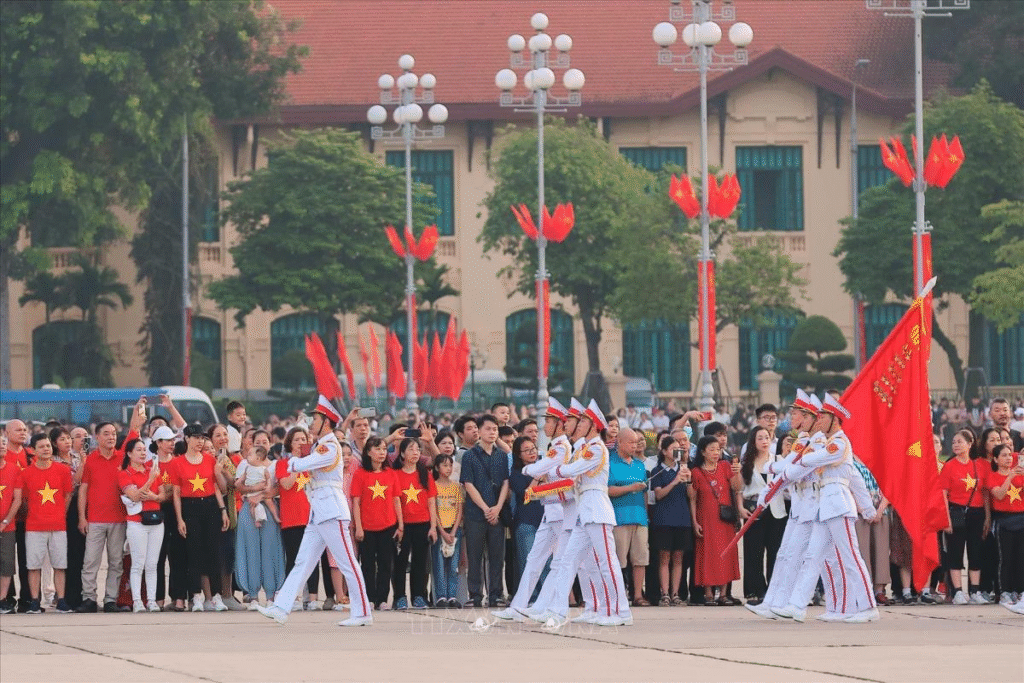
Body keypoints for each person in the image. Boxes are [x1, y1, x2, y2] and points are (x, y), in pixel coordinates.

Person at [256, 395, 371, 627]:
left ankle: (363, 612)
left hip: (331, 509)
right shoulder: (320, 445)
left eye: (316, 418)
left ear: (326, 422)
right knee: (302, 562)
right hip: (319, 511)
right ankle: (281, 607)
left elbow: (302, 465)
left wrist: (289, 462)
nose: (311, 422)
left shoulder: (329, 446)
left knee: (347, 562)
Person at [772, 394, 878, 623]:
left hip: (839, 505)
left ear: (835, 420)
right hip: (825, 508)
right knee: (813, 557)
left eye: (824, 417)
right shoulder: (829, 443)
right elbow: (855, 476)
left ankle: (868, 606)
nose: (818, 421)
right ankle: (801, 606)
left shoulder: (840, 443)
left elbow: (819, 461)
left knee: (850, 558)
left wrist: (794, 461)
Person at [533, 400, 633, 628]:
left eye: (584, 421)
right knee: (569, 561)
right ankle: (560, 611)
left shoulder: (596, 448)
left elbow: (571, 471)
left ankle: (621, 611)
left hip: (596, 509)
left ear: (595, 426)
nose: (578, 425)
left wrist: (552, 469)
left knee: (607, 563)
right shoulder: (587, 449)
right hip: (584, 511)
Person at [78, 398, 146, 613]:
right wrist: (82, 517)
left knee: (116, 562)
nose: (111, 437)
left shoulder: (122, 456)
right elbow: (83, 490)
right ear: (97, 437)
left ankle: (110, 600)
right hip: (95, 520)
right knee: (90, 562)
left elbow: (134, 430)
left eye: (114, 434)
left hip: (118, 519)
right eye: (106, 434)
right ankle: (89, 598)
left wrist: (136, 409)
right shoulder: (90, 460)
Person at [172, 423, 230, 612]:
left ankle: (216, 596)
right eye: (196, 437)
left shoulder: (209, 459)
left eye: (202, 438)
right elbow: (176, 493)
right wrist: (179, 519)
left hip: (210, 506)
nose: (200, 441)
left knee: (213, 552)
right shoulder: (177, 462)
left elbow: (216, 488)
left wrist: (222, 511)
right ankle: (196, 596)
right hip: (190, 507)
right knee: (194, 552)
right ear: (187, 439)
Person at [19, 434, 74, 614]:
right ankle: (35, 601)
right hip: (34, 526)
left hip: (58, 525)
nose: (46, 449)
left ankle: (62, 600)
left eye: (48, 446)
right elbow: (24, 499)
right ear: (33, 451)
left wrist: (59, 514)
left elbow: (68, 495)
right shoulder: (26, 473)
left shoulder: (63, 470)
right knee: (33, 565)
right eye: (41, 446)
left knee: (60, 564)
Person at [460, 414, 510, 608]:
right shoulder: (470, 456)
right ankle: (475, 595)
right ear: (479, 431)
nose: (492, 432)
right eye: (488, 429)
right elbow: (468, 484)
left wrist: (497, 508)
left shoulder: (502, 456)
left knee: (497, 556)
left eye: (495, 429)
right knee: (475, 555)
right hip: (476, 513)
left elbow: (506, 483)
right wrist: (485, 508)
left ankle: (496, 594)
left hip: (496, 514)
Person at [689, 435, 742, 606]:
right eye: (711, 449)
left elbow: (737, 487)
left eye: (717, 449)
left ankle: (724, 594)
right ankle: (708, 593)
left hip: (725, 519)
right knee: (708, 554)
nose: (715, 452)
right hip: (705, 518)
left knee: (725, 554)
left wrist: (737, 471)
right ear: (703, 452)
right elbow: (692, 499)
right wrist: (694, 522)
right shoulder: (696, 471)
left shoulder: (726, 466)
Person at [351, 435, 401, 611]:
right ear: (368, 452)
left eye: (384, 449)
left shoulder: (391, 473)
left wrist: (400, 525)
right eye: (377, 449)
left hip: (388, 526)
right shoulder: (360, 474)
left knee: (386, 564)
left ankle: (382, 599)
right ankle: (369, 598)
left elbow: (396, 500)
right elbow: (356, 502)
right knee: (368, 565)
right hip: (367, 527)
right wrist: (358, 526)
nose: (381, 453)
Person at [738, 425, 787, 604]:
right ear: (753, 441)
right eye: (760, 438)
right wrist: (740, 509)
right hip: (754, 510)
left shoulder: (779, 460)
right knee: (754, 552)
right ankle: (755, 590)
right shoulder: (747, 464)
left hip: (776, 511)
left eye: (767, 437)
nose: (764, 441)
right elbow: (739, 490)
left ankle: (774, 591)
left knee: (775, 552)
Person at [233, 445, 286, 610]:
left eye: (265, 441)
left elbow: (278, 487)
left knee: (270, 551)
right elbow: (238, 486)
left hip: (268, 509)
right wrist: (253, 490)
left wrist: (262, 495)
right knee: (250, 550)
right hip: (248, 507)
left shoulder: (276, 466)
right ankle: (252, 595)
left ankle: (271, 594)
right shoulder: (244, 465)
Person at [275, 427, 321, 611]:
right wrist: (295, 465)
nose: (301, 443)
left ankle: (313, 599)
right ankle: (295, 597)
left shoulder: (313, 463)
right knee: (294, 559)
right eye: (297, 440)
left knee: (313, 558)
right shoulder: (283, 464)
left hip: (312, 516)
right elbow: (286, 484)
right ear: (290, 443)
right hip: (292, 518)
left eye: (304, 439)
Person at [939, 429, 987, 604]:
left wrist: (987, 517)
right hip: (956, 511)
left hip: (977, 512)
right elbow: (943, 493)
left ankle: (975, 591)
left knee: (976, 550)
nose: (956, 445)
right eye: (954, 442)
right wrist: (946, 518)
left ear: (970, 443)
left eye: (960, 441)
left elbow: (986, 491)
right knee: (955, 550)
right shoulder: (949, 465)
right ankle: (958, 591)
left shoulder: (979, 465)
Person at [118, 437, 165, 613]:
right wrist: (150, 481)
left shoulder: (151, 470)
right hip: (137, 522)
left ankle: (151, 600)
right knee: (138, 563)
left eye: (144, 450)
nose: (143, 453)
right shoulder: (125, 473)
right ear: (129, 453)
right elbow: (134, 496)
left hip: (156, 521)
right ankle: (137, 600)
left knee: (152, 564)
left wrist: (152, 496)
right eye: (138, 450)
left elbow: (161, 496)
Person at [391, 437, 437, 609]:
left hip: (423, 523)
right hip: (403, 525)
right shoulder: (395, 474)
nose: (415, 452)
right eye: (411, 449)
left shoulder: (425, 474)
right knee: (400, 562)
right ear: (402, 453)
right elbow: (395, 501)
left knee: (420, 562)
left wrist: (433, 527)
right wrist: (400, 526)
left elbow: (432, 501)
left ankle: (418, 596)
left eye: (418, 449)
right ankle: (400, 597)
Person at [608, 427, 650, 607]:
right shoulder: (610, 463)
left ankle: (638, 595)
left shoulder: (640, 465)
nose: (635, 445)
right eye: (631, 442)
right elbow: (608, 490)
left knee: (640, 559)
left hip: (639, 517)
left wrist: (646, 515)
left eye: (636, 442)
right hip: (619, 518)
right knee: (619, 559)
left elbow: (645, 493)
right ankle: (618, 594)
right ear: (620, 442)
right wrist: (630, 488)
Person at [648, 435, 692, 606]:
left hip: (682, 518)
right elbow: (658, 494)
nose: (676, 451)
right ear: (664, 451)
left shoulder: (683, 469)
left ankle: (676, 593)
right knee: (664, 557)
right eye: (673, 448)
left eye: (678, 448)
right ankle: (664, 592)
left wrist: (688, 481)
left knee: (679, 557)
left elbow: (691, 496)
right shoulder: (657, 471)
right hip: (664, 518)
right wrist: (675, 481)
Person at [50, 425, 86, 609]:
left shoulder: (79, 457)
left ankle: (80, 594)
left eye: (68, 439)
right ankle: (67, 596)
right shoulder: (53, 461)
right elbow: (74, 483)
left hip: (83, 504)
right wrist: (84, 465)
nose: (67, 442)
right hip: (64, 506)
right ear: (54, 443)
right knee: (68, 553)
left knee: (80, 553)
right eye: (63, 439)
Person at [151, 426, 186, 611]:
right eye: (167, 440)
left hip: (176, 511)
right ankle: (158, 599)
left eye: (173, 440)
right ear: (158, 443)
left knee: (178, 555)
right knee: (158, 555)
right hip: (156, 510)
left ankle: (179, 597)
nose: (172, 443)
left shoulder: (179, 462)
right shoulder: (151, 463)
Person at [986, 445, 1024, 608]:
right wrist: (1009, 477)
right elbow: (999, 494)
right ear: (995, 459)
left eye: (1010, 455)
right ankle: (1005, 591)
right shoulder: (993, 476)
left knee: (1020, 558)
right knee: (1006, 559)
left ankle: (1019, 590)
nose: (1008, 458)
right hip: (1004, 521)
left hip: (1021, 519)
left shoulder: (1020, 475)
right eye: (1003, 455)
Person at [507, 436, 544, 597]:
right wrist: (537, 478)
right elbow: (526, 495)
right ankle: (530, 597)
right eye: (527, 450)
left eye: (533, 449)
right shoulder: (516, 474)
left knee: (547, 562)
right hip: (526, 522)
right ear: (519, 454)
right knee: (529, 562)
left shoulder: (544, 468)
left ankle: (544, 597)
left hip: (545, 520)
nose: (532, 453)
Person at [431, 452, 464, 608]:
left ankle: (452, 596)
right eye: (444, 465)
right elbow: (434, 511)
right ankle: (441, 596)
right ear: (437, 468)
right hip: (439, 530)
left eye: (450, 465)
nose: (448, 468)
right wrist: (442, 532)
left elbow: (459, 510)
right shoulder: (433, 486)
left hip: (454, 530)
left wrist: (453, 531)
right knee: (438, 564)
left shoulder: (456, 487)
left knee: (453, 565)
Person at [0, 432, 23, 614]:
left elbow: (17, 499)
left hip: (8, 525)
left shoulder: (14, 469)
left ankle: (3, 599)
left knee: (7, 563)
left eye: (3, 442)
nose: (1, 445)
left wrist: (6, 520)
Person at [238, 445, 279, 528]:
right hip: (251, 493)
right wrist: (250, 487)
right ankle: (256, 520)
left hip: (263, 492)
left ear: (258, 458)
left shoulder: (263, 469)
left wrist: (267, 487)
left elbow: (268, 479)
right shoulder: (247, 468)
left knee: (269, 502)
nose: (247, 457)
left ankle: (275, 516)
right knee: (252, 506)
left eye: (250, 455)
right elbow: (239, 482)